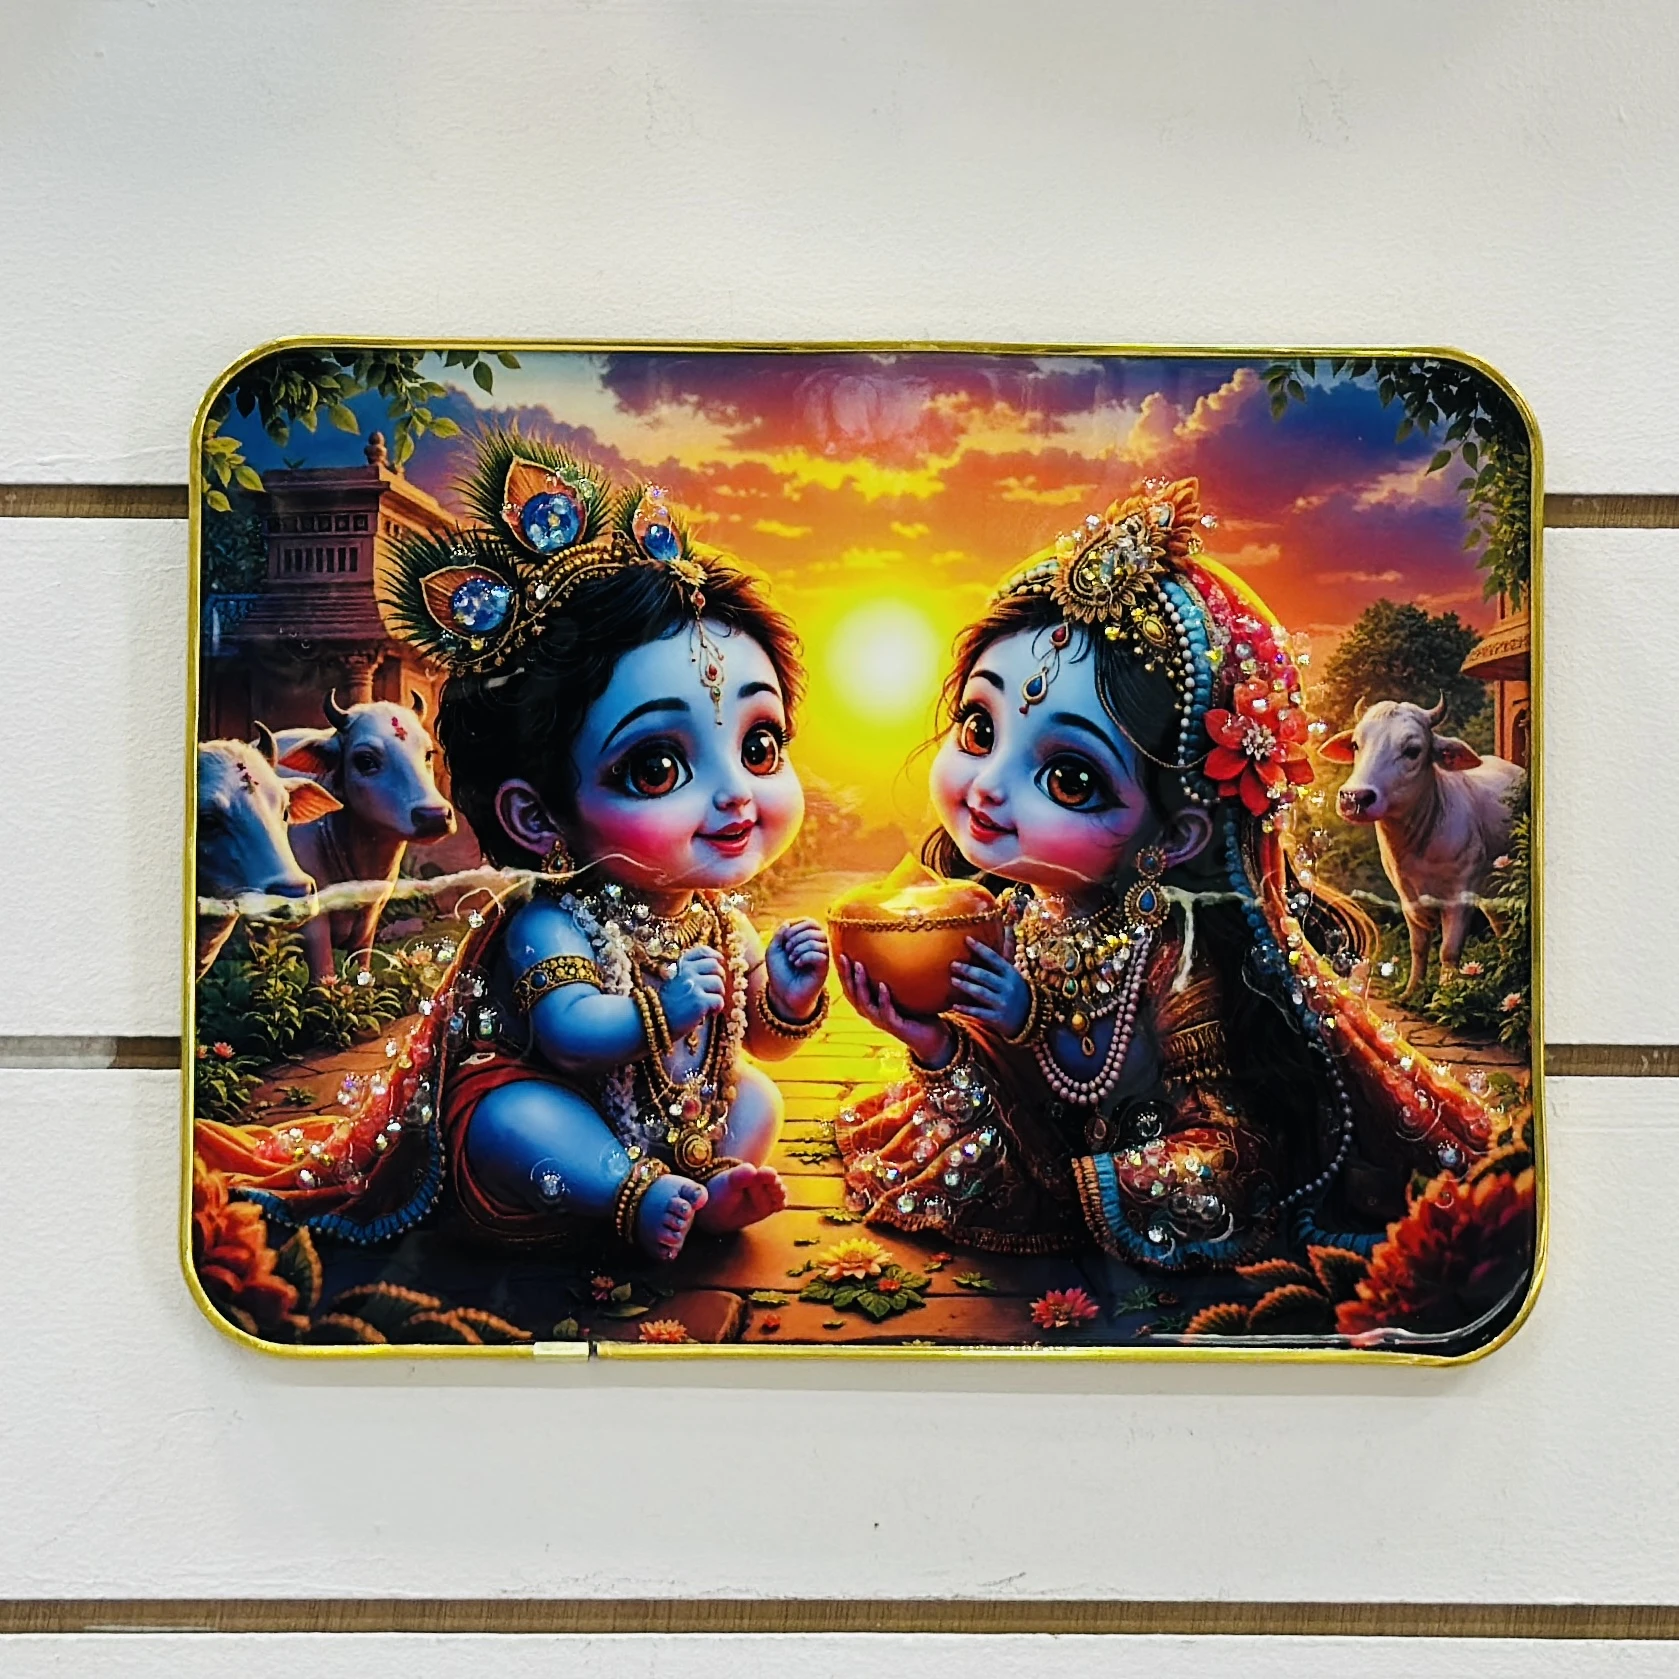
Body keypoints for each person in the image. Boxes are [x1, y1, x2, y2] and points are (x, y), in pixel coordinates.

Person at [835, 477, 1496, 1269]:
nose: (985, 787)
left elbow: (1149, 1097)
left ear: (1178, 834)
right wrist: (936, 1041)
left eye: (1069, 779)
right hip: (1048, 1136)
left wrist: (1024, 1017)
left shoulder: (1170, 947)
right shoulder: (1011, 909)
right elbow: (1018, 1083)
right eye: (979, 728)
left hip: (1156, 1142)